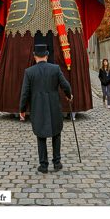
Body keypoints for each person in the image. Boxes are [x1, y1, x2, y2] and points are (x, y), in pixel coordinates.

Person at [20, 44, 72, 173]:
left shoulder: (29, 71)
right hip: (54, 106)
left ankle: (43, 165)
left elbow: (24, 92)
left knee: (40, 135)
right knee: (56, 133)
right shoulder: (55, 69)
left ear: (35, 56)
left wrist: (22, 109)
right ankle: (57, 162)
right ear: (47, 56)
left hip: (37, 106)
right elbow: (65, 84)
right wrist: (68, 95)